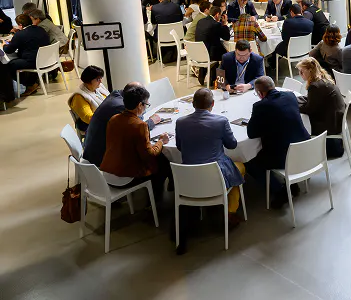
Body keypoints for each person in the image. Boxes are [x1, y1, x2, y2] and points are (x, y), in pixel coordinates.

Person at [175, 87, 245, 249]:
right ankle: (230, 213)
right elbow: (232, 145)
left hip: (188, 178)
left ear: (193, 104)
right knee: (239, 168)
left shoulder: (180, 122)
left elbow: (180, 147)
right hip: (217, 175)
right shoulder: (220, 121)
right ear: (213, 104)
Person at [246, 76, 310, 206]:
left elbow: (251, 133)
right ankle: (293, 185)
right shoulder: (290, 96)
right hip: (305, 147)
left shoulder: (260, 106)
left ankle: (280, 190)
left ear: (260, 93)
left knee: (250, 162)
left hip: (285, 156)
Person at [100, 83, 171, 197]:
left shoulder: (113, 119)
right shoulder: (140, 125)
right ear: (139, 105)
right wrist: (161, 141)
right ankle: (155, 200)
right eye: (146, 105)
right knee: (164, 162)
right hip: (125, 177)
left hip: (107, 173)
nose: (145, 107)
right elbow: (150, 154)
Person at [82, 83, 161, 165]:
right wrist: (152, 122)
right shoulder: (121, 107)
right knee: (158, 159)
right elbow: (138, 129)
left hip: (93, 149)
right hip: (102, 158)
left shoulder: (116, 94)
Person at [296, 57, 346, 157]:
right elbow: (312, 99)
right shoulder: (324, 79)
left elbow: (310, 109)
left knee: (299, 123)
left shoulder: (315, 86)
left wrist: (294, 105)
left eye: (302, 72)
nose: (300, 74)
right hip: (336, 118)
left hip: (329, 123)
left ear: (310, 71)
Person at [1, 12, 51, 96]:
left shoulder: (20, 35)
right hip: (46, 59)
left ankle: (30, 84)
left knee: (8, 66)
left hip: (33, 61)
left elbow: (9, 50)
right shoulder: (40, 29)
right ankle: (32, 82)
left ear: (20, 25)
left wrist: (4, 45)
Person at [67, 65, 109, 133]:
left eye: (101, 78)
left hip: (104, 118)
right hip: (92, 126)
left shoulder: (98, 86)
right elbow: (89, 118)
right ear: (89, 81)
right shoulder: (79, 97)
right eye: (98, 79)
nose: (101, 82)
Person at [193, 6, 229, 86]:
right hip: (210, 53)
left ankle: (206, 73)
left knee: (214, 45)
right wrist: (225, 24)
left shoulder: (200, 21)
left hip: (198, 51)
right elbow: (227, 37)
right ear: (217, 15)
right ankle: (217, 79)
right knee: (227, 53)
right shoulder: (216, 24)